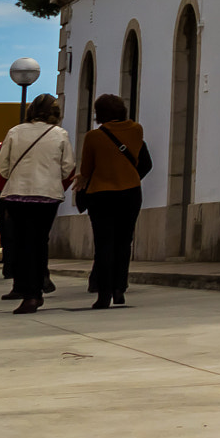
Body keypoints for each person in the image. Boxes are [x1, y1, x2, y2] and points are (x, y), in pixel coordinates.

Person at [0, 94, 76, 313]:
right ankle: (37, 287)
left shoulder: (15, 132)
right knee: (40, 241)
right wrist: (50, 177)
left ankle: (28, 291)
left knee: (22, 243)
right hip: (47, 196)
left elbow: (2, 167)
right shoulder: (60, 134)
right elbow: (68, 167)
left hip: (17, 194)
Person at [75, 92, 148, 309]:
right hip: (131, 192)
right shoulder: (136, 130)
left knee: (104, 244)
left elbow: (86, 169)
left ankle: (104, 294)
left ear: (100, 113)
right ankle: (120, 289)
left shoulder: (93, 137)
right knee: (124, 242)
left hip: (102, 195)